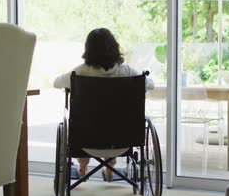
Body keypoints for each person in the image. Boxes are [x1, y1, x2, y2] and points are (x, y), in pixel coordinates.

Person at [53, 28, 154, 182]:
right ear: (115, 48)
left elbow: (56, 83)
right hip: (124, 140)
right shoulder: (127, 71)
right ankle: (110, 166)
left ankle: (82, 167)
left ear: (88, 50)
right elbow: (150, 84)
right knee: (114, 121)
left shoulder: (79, 73)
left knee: (84, 122)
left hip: (85, 141)